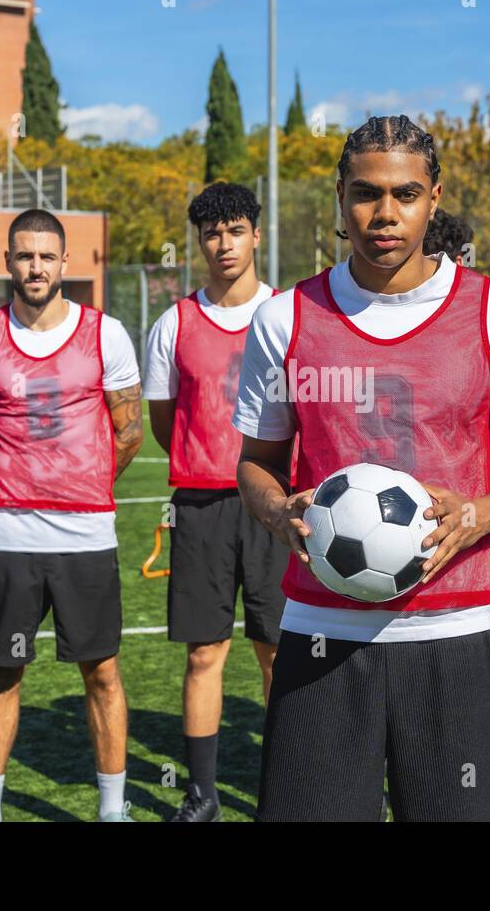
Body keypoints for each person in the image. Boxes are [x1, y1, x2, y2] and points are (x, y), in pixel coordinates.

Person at [234, 115, 490, 821]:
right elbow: (255, 465)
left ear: (434, 198)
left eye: (406, 194)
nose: (385, 214)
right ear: (340, 199)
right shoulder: (285, 317)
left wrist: (477, 516)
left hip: (453, 634)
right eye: (366, 194)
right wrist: (275, 508)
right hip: (322, 632)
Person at [0, 209, 144, 822]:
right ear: (8, 261)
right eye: (24, 255)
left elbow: (129, 430)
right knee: (3, 672)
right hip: (6, 534)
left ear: (65, 263)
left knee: (103, 673)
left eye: (46, 256)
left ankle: (111, 809)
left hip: (85, 534)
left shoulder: (106, 333)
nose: (35, 266)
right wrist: (14, 484)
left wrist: (82, 482)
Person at [143, 182, 286, 822]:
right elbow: (163, 418)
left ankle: (287, 785)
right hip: (201, 506)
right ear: (199, 241)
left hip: (278, 505)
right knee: (205, 652)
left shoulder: (289, 315)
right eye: (211, 233)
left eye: (235, 230)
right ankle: (202, 796)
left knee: (278, 650)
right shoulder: (174, 322)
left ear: (256, 234)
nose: (223, 244)